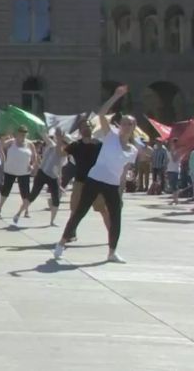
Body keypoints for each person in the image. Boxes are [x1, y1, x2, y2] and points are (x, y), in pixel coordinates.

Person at [54, 86, 137, 263]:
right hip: (95, 180)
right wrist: (115, 96)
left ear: (133, 127)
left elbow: (123, 173)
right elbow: (101, 114)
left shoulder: (133, 150)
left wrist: (121, 193)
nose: (127, 126)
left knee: (116, 217)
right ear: (120, 125)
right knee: (80, 212)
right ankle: (61, 243)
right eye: (124, 123)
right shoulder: (111, 136)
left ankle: (112, 252)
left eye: (130, 124)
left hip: (112, 185)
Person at [62, 119, 111, 239]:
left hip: (96, 182)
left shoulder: (99, 145)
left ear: (92, 128)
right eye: (84, 126)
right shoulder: (75, 145)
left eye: (88, 126)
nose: (86, 128)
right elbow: (61, 154)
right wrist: (59, 141)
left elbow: (108, 161)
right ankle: (71, 234)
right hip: (80, 182)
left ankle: (112, 234)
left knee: (103, 210)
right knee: (75, 210)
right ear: (80, 130)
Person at [13, 129, 66, 226]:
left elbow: (59, 168)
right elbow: (45, 136)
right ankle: (18, 214)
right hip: (42, 173)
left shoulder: (64, 156)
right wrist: (41, 129)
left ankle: (52, 221)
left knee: (56, 200)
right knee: (32, 196)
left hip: (53, 176)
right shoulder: (52, 145)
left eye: (65, 144)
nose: (63, 145)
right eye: (63, 142)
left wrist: (59, 182)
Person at [0, 127, 37, 218]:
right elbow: (0, 146)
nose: (23, 135)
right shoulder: (11, 142)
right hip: (10, 171)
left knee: (25, 192)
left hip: (24, 172)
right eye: (21, 133)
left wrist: (33, 165)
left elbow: (35, 156)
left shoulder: (30, 144)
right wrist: (3, 157)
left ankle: (26, 211)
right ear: (17, 133)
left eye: (25, 134)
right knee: (6, 191)